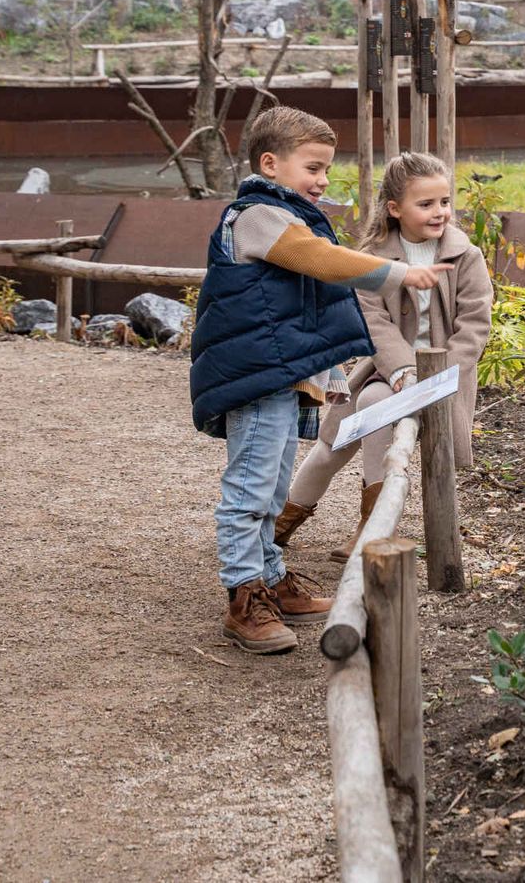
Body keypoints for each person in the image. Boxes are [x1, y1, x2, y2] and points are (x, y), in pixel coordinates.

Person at [190, 109, 450, 655]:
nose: (323, 180)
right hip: (256, 376)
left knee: (272, 483)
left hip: (278, 374)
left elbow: (302, 306)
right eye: (313, 167)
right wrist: (399, 271)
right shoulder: (258, 215)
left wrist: (326, 375)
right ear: (270, 163)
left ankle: (271, 575)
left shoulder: (288, 211)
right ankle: (244, 596)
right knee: (251, 489)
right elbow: (321, 264)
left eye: (326, 169)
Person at [273, 152, 492, 564]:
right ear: (395, 209)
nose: (439, 212)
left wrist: (436, 378)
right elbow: (373, 321)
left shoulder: (467, 256)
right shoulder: (374, 257)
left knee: (374, 409)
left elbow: (475, 326)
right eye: (425, 204)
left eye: (445, 202)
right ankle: (285, 519)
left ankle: (373, 527)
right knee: (332, 445)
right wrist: (403, 369)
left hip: (444, 378)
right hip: (386, 370)